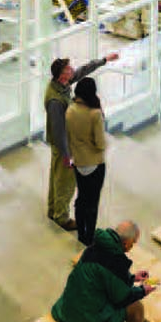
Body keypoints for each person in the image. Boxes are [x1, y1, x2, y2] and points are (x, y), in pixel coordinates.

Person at [44, 52, 118, 231]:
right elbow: (58, 129)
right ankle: (61, 217)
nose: (72, 70)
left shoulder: (62, 84)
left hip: (62, 144)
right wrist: (66, 155)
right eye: (69, 69)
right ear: (62, 75)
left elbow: (83, 71)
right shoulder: (55, 100)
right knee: (65, 183)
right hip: (63, 146)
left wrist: (104, 60)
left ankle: (53, 209)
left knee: (57, 177)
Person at [52, 221, 153, 322]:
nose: (133, 246)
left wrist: (132, 278)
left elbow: (107, 278)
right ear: (126, 243)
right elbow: (122, 298)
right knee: (136, 308)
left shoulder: (93, 248)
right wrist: (143, 290)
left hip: (65, 311)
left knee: (109, 297)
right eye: (134, 242)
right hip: (85, 321)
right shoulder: (116, 262)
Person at [65, 77, 110, 243]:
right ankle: (89, 237)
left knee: (81, 198)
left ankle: (81, 235)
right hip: (95, 163)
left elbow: (69, 138)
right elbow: (100, 143)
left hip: (78, 162)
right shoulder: (95, 114)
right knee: (93, 202)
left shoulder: (70, 110)